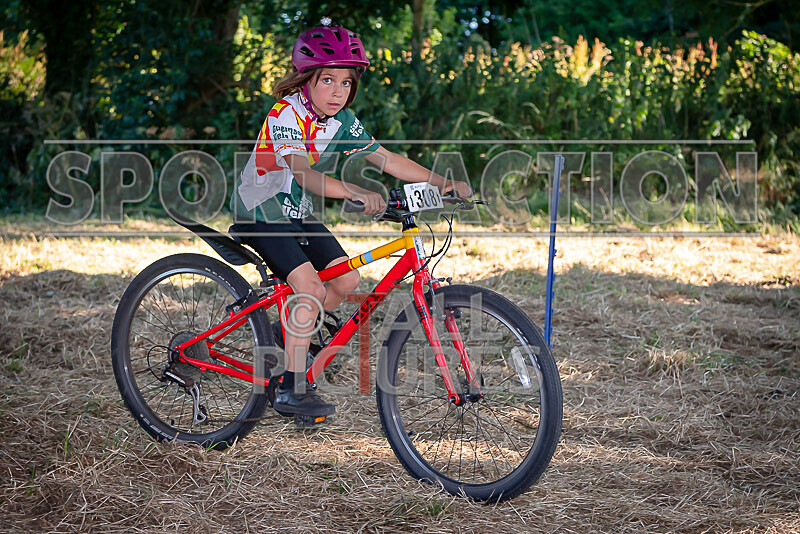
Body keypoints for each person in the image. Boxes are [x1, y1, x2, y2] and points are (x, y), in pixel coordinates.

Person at [230, 24, 472, 419]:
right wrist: (352, 191)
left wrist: (442, 182)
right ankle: (292, 388)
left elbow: (388, 159)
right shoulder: (285, 113)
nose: (338, 91)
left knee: (345, 280)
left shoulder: (343, 121)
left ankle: (288, 334)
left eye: (346, 82)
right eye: (327, 80)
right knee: (308, 286)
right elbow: (302, 173)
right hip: (259, 210)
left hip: (295, 213)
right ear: (306, 79)